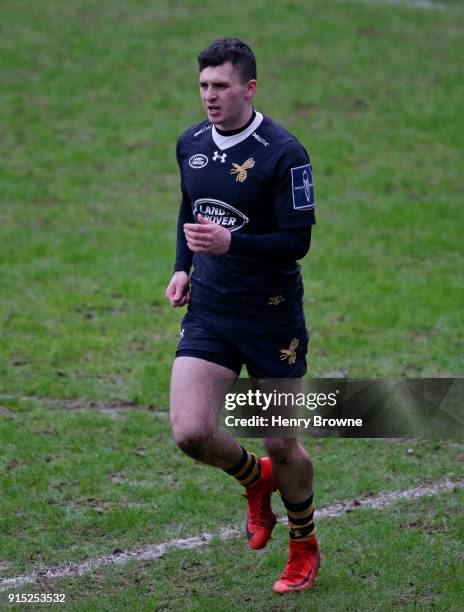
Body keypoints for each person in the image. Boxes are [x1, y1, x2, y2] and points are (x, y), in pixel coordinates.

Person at [165, 37, 320, 593]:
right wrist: (183, 266)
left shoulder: (284, 153)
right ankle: (256, 482)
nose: (210, 96)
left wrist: (234, 244)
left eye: (221, 86)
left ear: (249, 88)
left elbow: (296, 242)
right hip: (210, 310)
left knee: (282, 442)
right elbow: (190, 206)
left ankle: (303, 542)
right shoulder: (191, 143)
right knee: (190, 433)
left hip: (271, 319)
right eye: (204, 85)